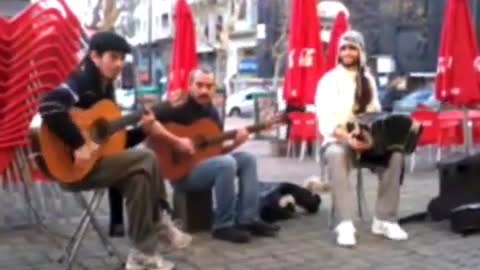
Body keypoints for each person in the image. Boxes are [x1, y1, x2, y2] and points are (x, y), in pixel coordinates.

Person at [39, 32, 193, 270]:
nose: (120, 64)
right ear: (95, 56)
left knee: (139, 177)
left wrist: (144, 130)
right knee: (147, 157)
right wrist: (79, 143)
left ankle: (142, 255)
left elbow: (116, 144)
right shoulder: (80, 81)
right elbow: (49, 106)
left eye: (122, 58)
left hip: (96, 164)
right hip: (71, 167)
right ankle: (160, 219)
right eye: (114, 57)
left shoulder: (106, 90)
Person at [152, 67, 280, 243]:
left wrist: (237, 142)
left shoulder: (212, 113)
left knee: (247, 159)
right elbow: (147, 122)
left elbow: (217, 152)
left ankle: (248, 219)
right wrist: (175, 141)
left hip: (205, 167)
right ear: (190, 86)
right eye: (199, 85)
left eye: (209, 86)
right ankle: (223, 226)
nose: (204, 90)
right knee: (226, 164)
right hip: (181, 173)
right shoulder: (176, 105)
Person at [315, 30, 408, 247]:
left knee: (395, 155)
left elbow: (374, 113)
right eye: (343, 48)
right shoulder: (329, 81)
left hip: (366, 140)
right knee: (337, 155)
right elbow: (326, 121)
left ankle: (384, 219)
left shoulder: (368, 80)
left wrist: (371, 138)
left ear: (360, 52)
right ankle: (345, 223)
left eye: (352, 48)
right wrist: (347, 138)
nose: (347, 52)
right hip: (338, 140)